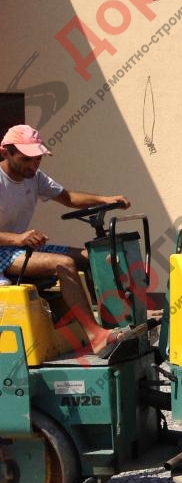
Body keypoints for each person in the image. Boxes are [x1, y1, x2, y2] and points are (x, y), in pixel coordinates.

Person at [0, 125, 131, 353]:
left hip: (18, 249)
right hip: (5, 249)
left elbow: (68, 198)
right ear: (5, 153)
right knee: (64, 263)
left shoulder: (35, 178)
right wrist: (18, 238)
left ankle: (117, 322)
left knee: (92, 256)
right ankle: (95, 336)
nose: (33, 165)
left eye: (38, 159)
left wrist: (105, 200)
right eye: (26, 159)